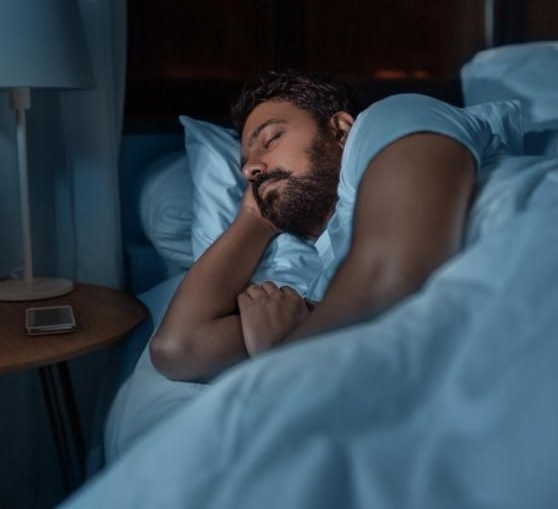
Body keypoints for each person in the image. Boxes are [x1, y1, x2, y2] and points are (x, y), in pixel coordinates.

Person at [150, 71, 522, 382]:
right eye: (246, 164)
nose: (251, 169)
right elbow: (178, 348)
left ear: (340, 130)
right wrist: (252, 220)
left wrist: (284, 353)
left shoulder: (386, 121)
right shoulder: (328, 278)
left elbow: (394, 276)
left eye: (270, 139)